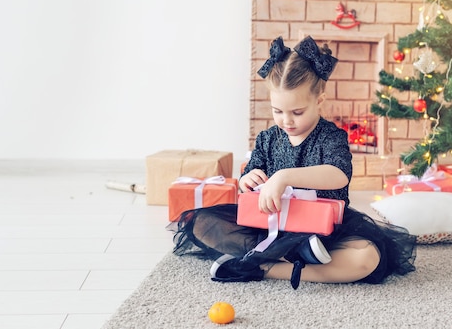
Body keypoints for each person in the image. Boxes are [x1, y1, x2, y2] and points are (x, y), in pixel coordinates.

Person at [172, 36, 416, 289]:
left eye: (297, 112)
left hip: (324, 229)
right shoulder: (268, 138)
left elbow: (338, 174)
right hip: (272, 226)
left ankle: (266, 267)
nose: (286, 120)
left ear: (318, 101)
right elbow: (250, 177)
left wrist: (284, 176)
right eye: (277, 111)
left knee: (367, 258)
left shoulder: (331, 136)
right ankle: (286, 255)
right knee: (199, 222)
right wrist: (248, 179)